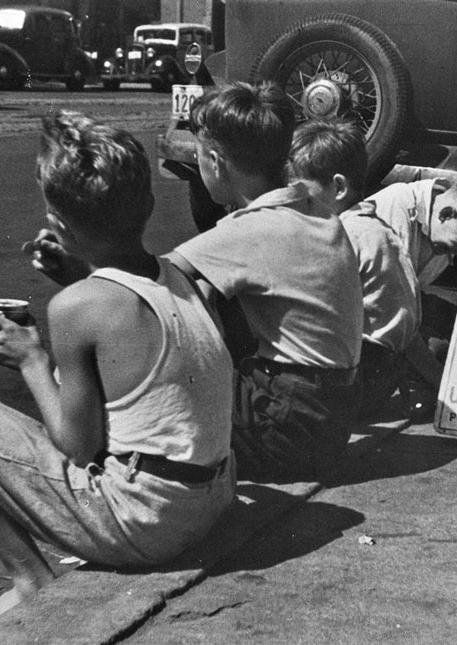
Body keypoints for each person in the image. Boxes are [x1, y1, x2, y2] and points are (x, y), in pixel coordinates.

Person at [0, 112, 236, 634]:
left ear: (57, 221)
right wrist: (81, 276)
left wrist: (31, 358)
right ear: (146, 205)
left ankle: (29, 581)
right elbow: (132, 335)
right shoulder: (180, 276)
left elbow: (79, 446)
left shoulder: (78, 308)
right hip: (211, 499)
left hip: (149, 523)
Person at [166, 82, 365, 482]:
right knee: (207, 295)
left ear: (217, 162)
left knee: (154, 366)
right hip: (327, 419)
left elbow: (146, 282)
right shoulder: (316, 212)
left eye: (199, 156)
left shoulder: (255, 228)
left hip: (284, 428)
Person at [342, 167, 457, 405]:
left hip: (380, 317)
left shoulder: (445, 224)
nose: (456, 256)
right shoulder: (396, 211)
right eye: (454, 248)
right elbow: (398, 319)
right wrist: (445, 388)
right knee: (435, 356)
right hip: (348, 332)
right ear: (446, 214)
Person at [286, 118, 421, 419]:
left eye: (301, 191)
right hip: (383, 371)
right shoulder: (373, 227)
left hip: (361, 375)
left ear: (338, 187)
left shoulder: (344, 236)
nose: (293, 201)